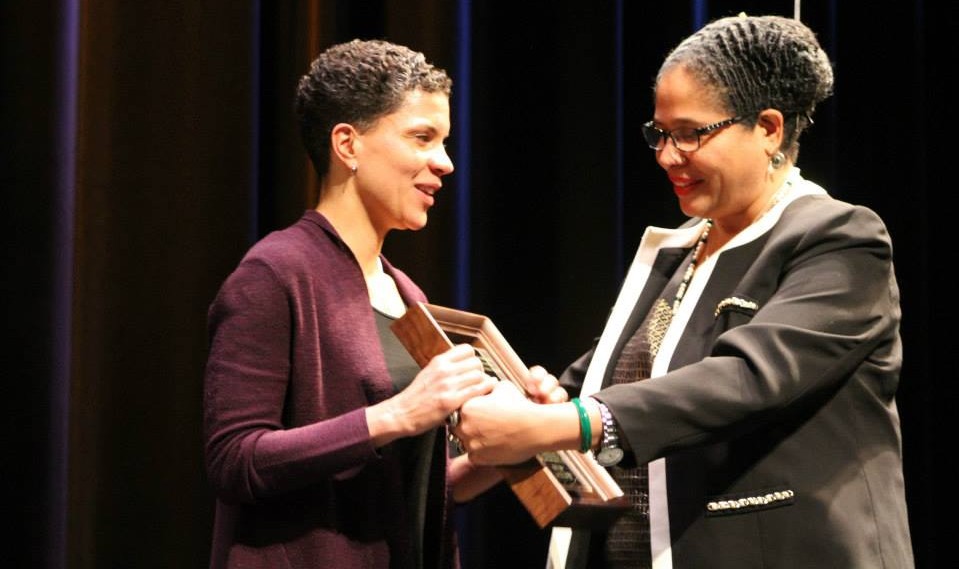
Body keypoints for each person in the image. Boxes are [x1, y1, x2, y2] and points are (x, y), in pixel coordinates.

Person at [453, 14, 914, 568]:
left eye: (691, 133)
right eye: (659, 134)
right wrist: (538, 402)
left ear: (767, 127)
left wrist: (570, 422)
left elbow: (747, 378)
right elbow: (611, 375)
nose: (668, 155)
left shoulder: (840, 238)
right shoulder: (681, 252)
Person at [202, 39, 562, 569]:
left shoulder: (406, 293)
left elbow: (416, 487)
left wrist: (520, 439)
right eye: (422, 138)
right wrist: (397, 413)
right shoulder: (274, 274)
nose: (444, 163)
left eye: (443, 142)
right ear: (348, 145)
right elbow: (234, 459)